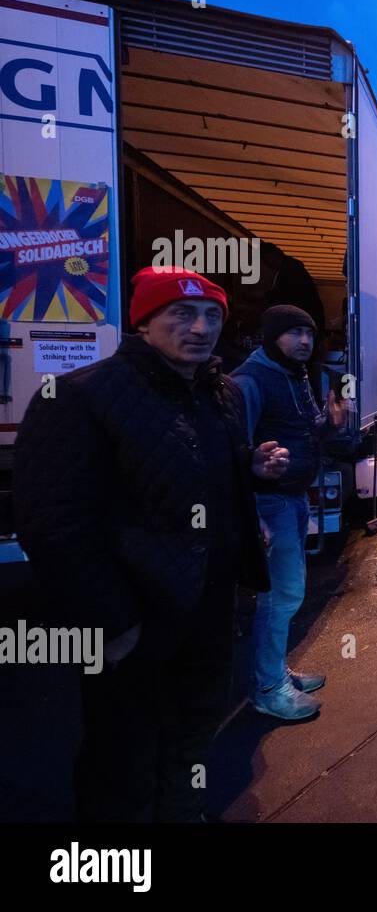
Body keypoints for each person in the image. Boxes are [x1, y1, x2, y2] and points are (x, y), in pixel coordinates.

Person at [13, 266, 284, 822]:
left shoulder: (222, 393)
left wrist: (248, 472)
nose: (200, 327)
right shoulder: (80, 395)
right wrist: (113, 623)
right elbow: (53, 524)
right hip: (136, 619)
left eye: (212, 315)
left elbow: (195, 471)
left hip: (209, 611)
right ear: (143, 323)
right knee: (123, 758)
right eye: (180, 314)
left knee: (193, 736)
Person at [231, 305, 347, 721]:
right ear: (272, 336)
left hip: (295, 498)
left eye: (309, 334)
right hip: (271, 502)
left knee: (285, 594)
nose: (304, 341)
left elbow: (307, 432)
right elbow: (231, 454)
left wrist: (332, 425)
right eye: (294, 333)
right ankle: (268, 687)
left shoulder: (296, 377)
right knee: (279, 596)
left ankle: (275, 670)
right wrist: (252, 513)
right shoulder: (250, 381)